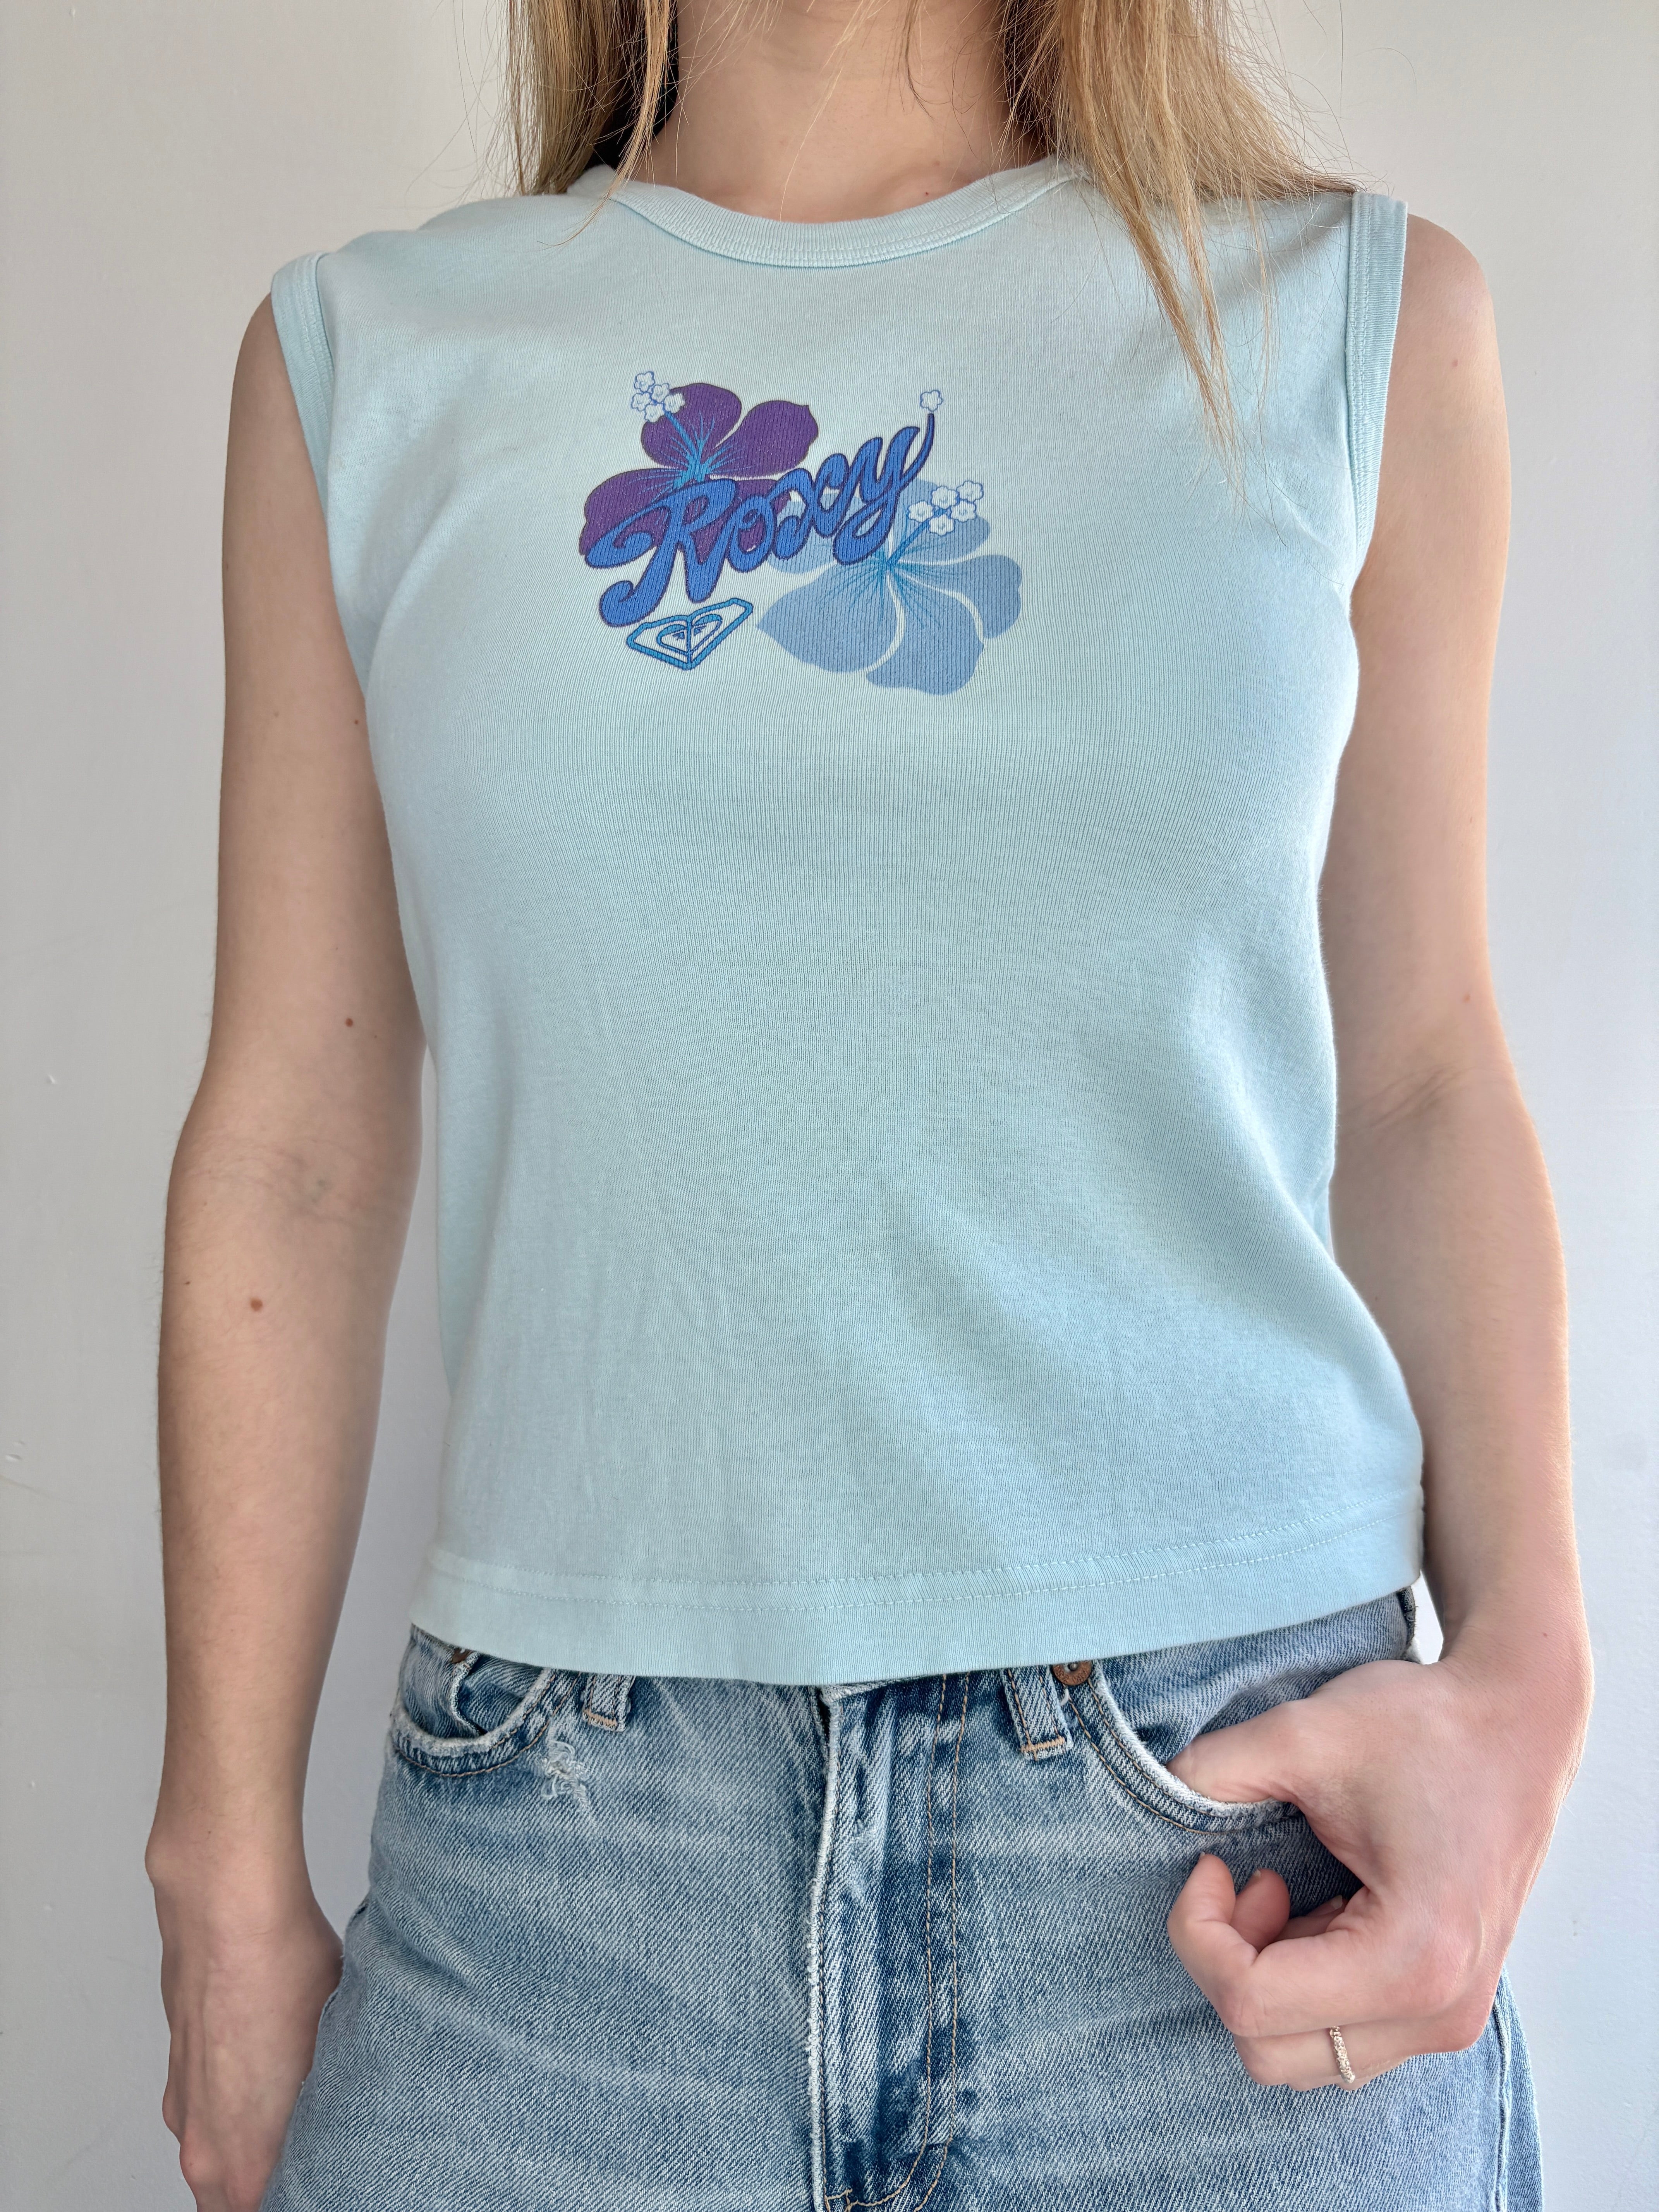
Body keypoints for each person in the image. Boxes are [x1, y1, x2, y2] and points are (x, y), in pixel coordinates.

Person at [144, 0, 1593, 2204]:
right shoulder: (372, 364)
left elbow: (1418, 1080)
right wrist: (220, 1860)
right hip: (553, 1890)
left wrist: (1530, 1684)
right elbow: (296, 1152)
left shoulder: (1346, 321)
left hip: (1230, 1856)